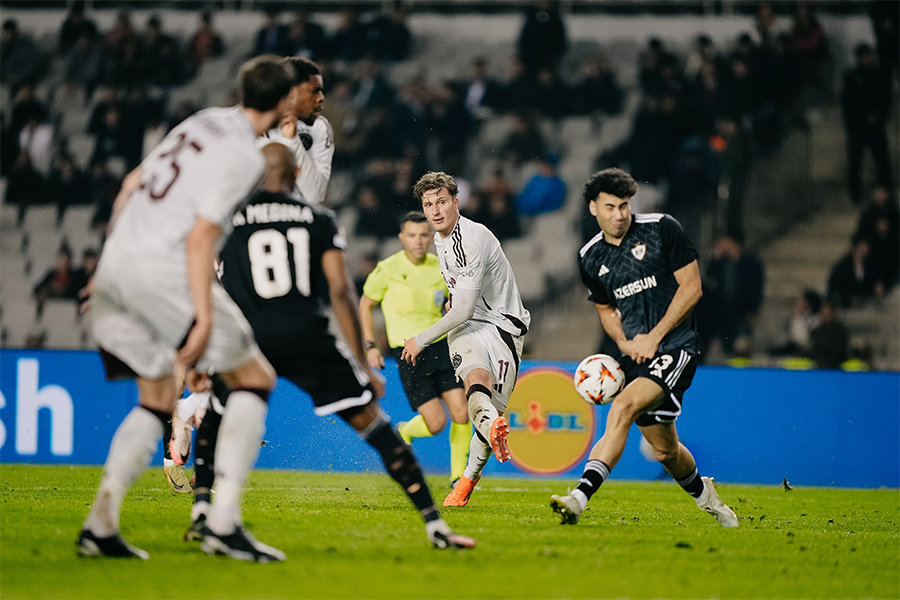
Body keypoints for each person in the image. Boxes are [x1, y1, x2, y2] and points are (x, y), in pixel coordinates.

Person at [186, 144, 475, 550]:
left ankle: (204, 508)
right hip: (307, 337)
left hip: (249, 339)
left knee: (218, 411)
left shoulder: (230, 218)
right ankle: (434, 525)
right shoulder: (318, 219)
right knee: (373, 424)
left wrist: (201, 340)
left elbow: (208, 276)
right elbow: (340, 290)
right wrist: (362, 362)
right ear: (296, 172)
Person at [76, 55, 294, 562]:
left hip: (117, 259)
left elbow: (131, 185)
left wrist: (106, 263)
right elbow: (201, 238)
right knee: (255, 378)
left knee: (155, 397)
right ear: (283, 102)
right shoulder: (248, 157)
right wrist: (201, 316)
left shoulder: (200, 122)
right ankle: (223, 523)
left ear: (240, 89)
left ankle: (101, 525)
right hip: (164, 268)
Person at [549, 168, 738, 528]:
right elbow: (605, 308)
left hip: (676, 344)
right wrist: (622, 342)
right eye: (610, 207)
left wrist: (656, 336)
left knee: (621, 407)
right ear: (593, 208)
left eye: (624, 206)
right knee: (666, 450)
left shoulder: (661, 228)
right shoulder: (590, 257)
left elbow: (692, 288)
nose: (619, 214)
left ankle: (578, 498)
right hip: (636, 356)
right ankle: (708, 498)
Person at [401, 172, 530, 507]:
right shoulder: (442, 238)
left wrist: (421, 339)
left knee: (488, 415)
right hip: (469, 327)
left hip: (505, 329)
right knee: (476, 382)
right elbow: (462, 308)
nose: (435, 210)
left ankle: (469, 478)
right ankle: (469, 473)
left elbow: (462, 309)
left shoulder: (471, 239)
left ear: (456, 202)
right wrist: (456, 296)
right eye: (428, 204)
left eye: (441, 202)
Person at [359, 211, 471, 486]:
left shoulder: (441, 266)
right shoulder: (388, 268)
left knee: (462, 412)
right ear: (402, 238)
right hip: (409, 353)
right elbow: (365, 304)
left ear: (432, 237)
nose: (418, 241)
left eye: (423, 235)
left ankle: (459, 477)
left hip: (441, 347)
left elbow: (452, 301)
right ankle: (404, 432)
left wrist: (450, 305)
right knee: (436, 424)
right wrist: (370, 346)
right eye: (412, 235)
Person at [263, 57, 333, 205]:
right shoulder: (254, 122)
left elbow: (314, 195)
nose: (321, 98)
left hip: (295, 217)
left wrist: (292, 140)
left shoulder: (319, 127)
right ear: (291, 92)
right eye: (315, 91)